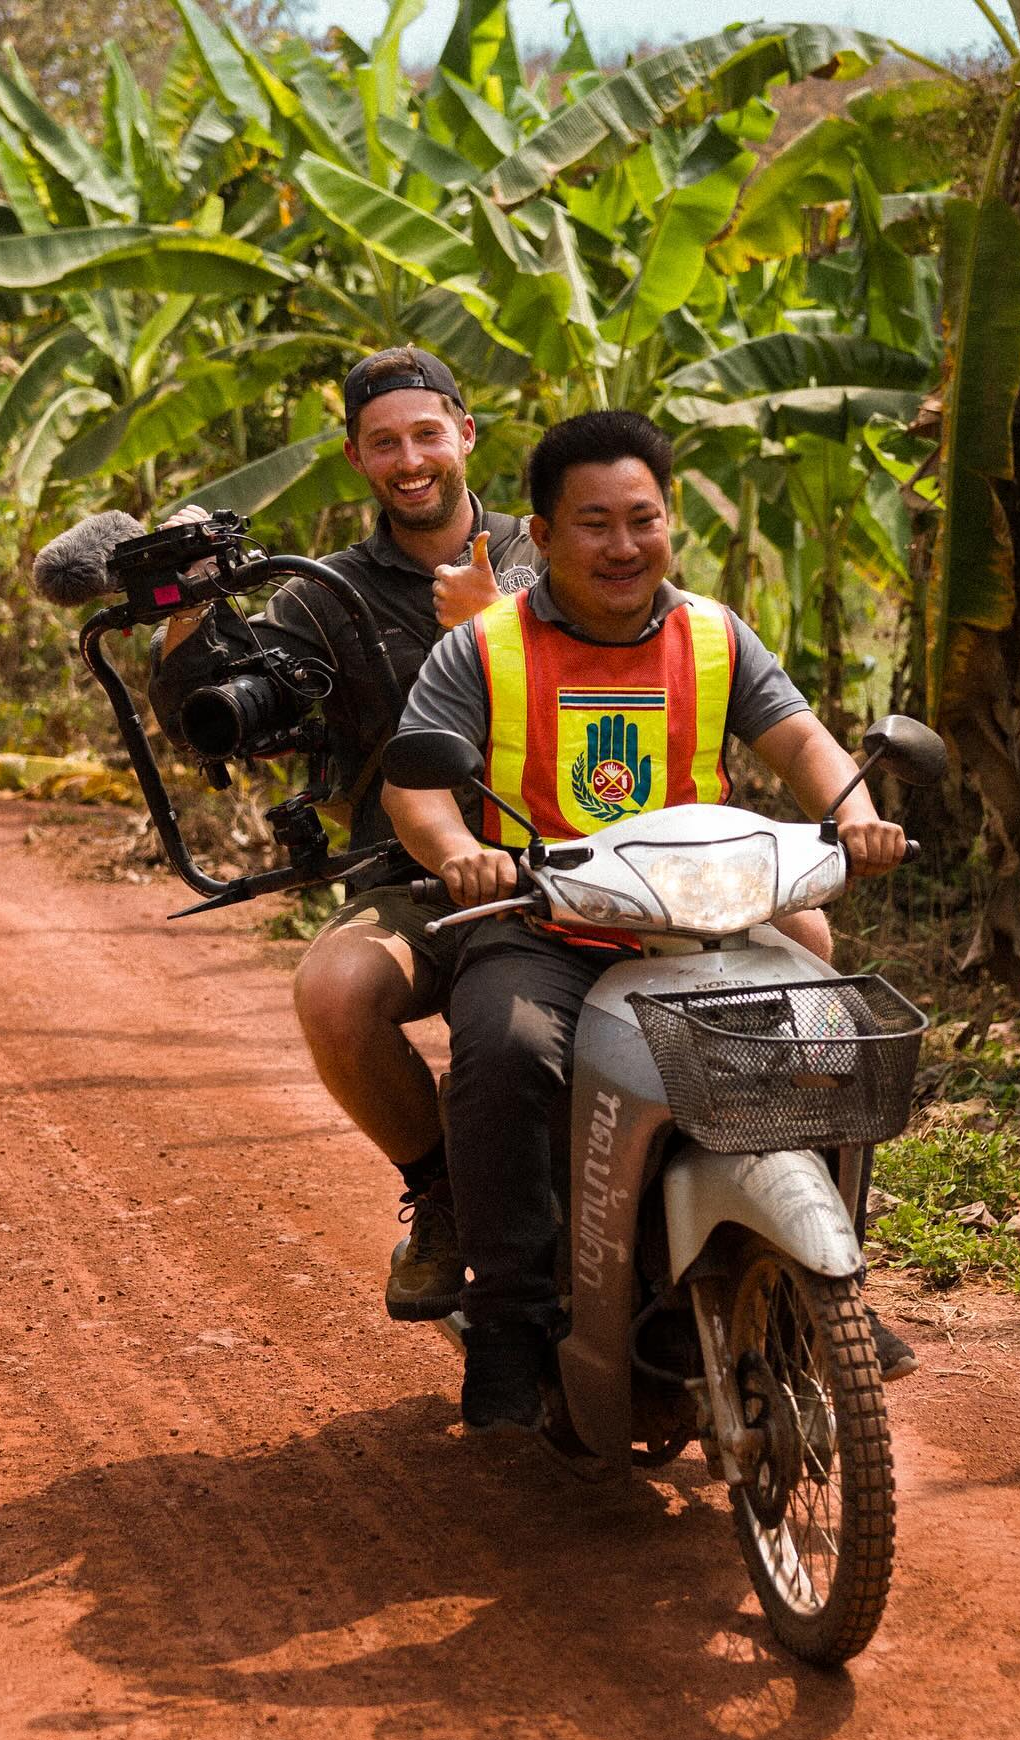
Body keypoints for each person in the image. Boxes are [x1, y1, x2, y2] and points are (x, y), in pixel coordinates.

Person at [383, 410, 916, 1435]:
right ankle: (509, 1318)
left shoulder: (713, 635)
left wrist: (854, 811)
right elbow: (420, 782)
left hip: (703, 922)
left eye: (644, 519)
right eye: (594, 522)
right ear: (539, 534)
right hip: (543, 925)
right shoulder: (483, 645)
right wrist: (458, 849)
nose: (623, 545)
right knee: (499, 1046)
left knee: (827, 1032)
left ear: (671, 523)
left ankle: (832, 1277)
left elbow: (798, 734)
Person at [150, 346, 541, 1322]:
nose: (410, 459)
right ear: (357, 458)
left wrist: (496, 626)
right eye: (384, 443)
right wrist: (185, 602)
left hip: (583, 856)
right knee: (332, 990)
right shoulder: (318, 593)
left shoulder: (548, 549)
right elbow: (219, 708)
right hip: (414, 875)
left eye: (425, 434)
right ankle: (444, 1196)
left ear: (466, 434)